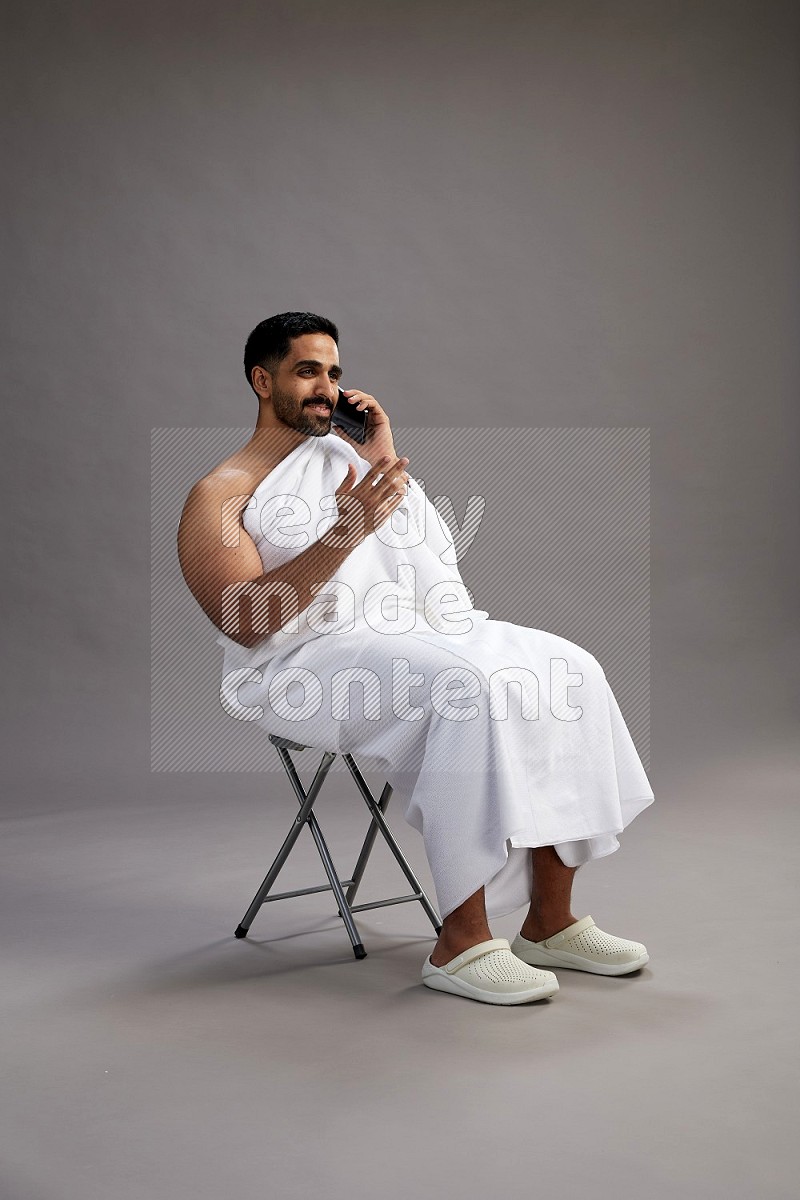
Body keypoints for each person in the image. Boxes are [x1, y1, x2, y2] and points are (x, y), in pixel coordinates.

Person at [177, 312, 655, 1006]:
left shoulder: (349, 463)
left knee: (569, 668)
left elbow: (427, 569)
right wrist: (343, 532)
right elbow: (247, 622)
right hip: (302, 661)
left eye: (334, 373)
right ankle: (460, 941)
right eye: (308, 370)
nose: (326, 388)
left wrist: (381, 462)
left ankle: (550, 923)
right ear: (262, 379)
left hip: (403, 630)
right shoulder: (219, 494)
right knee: (466, 687)